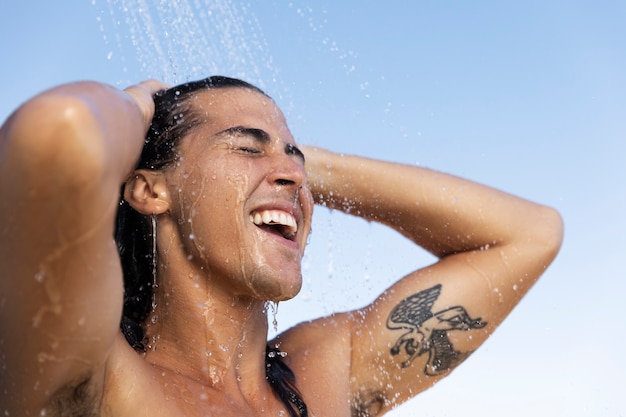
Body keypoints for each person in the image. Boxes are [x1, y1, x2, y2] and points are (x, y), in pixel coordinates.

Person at [0, 76, 563, 417]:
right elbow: (57, 132)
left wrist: (300, 165)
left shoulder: (324, 376)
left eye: (297, 161)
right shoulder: (92, 379)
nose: (293, 177)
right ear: (149, 189)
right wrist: (142, 102)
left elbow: (529, 233)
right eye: (245, 148)